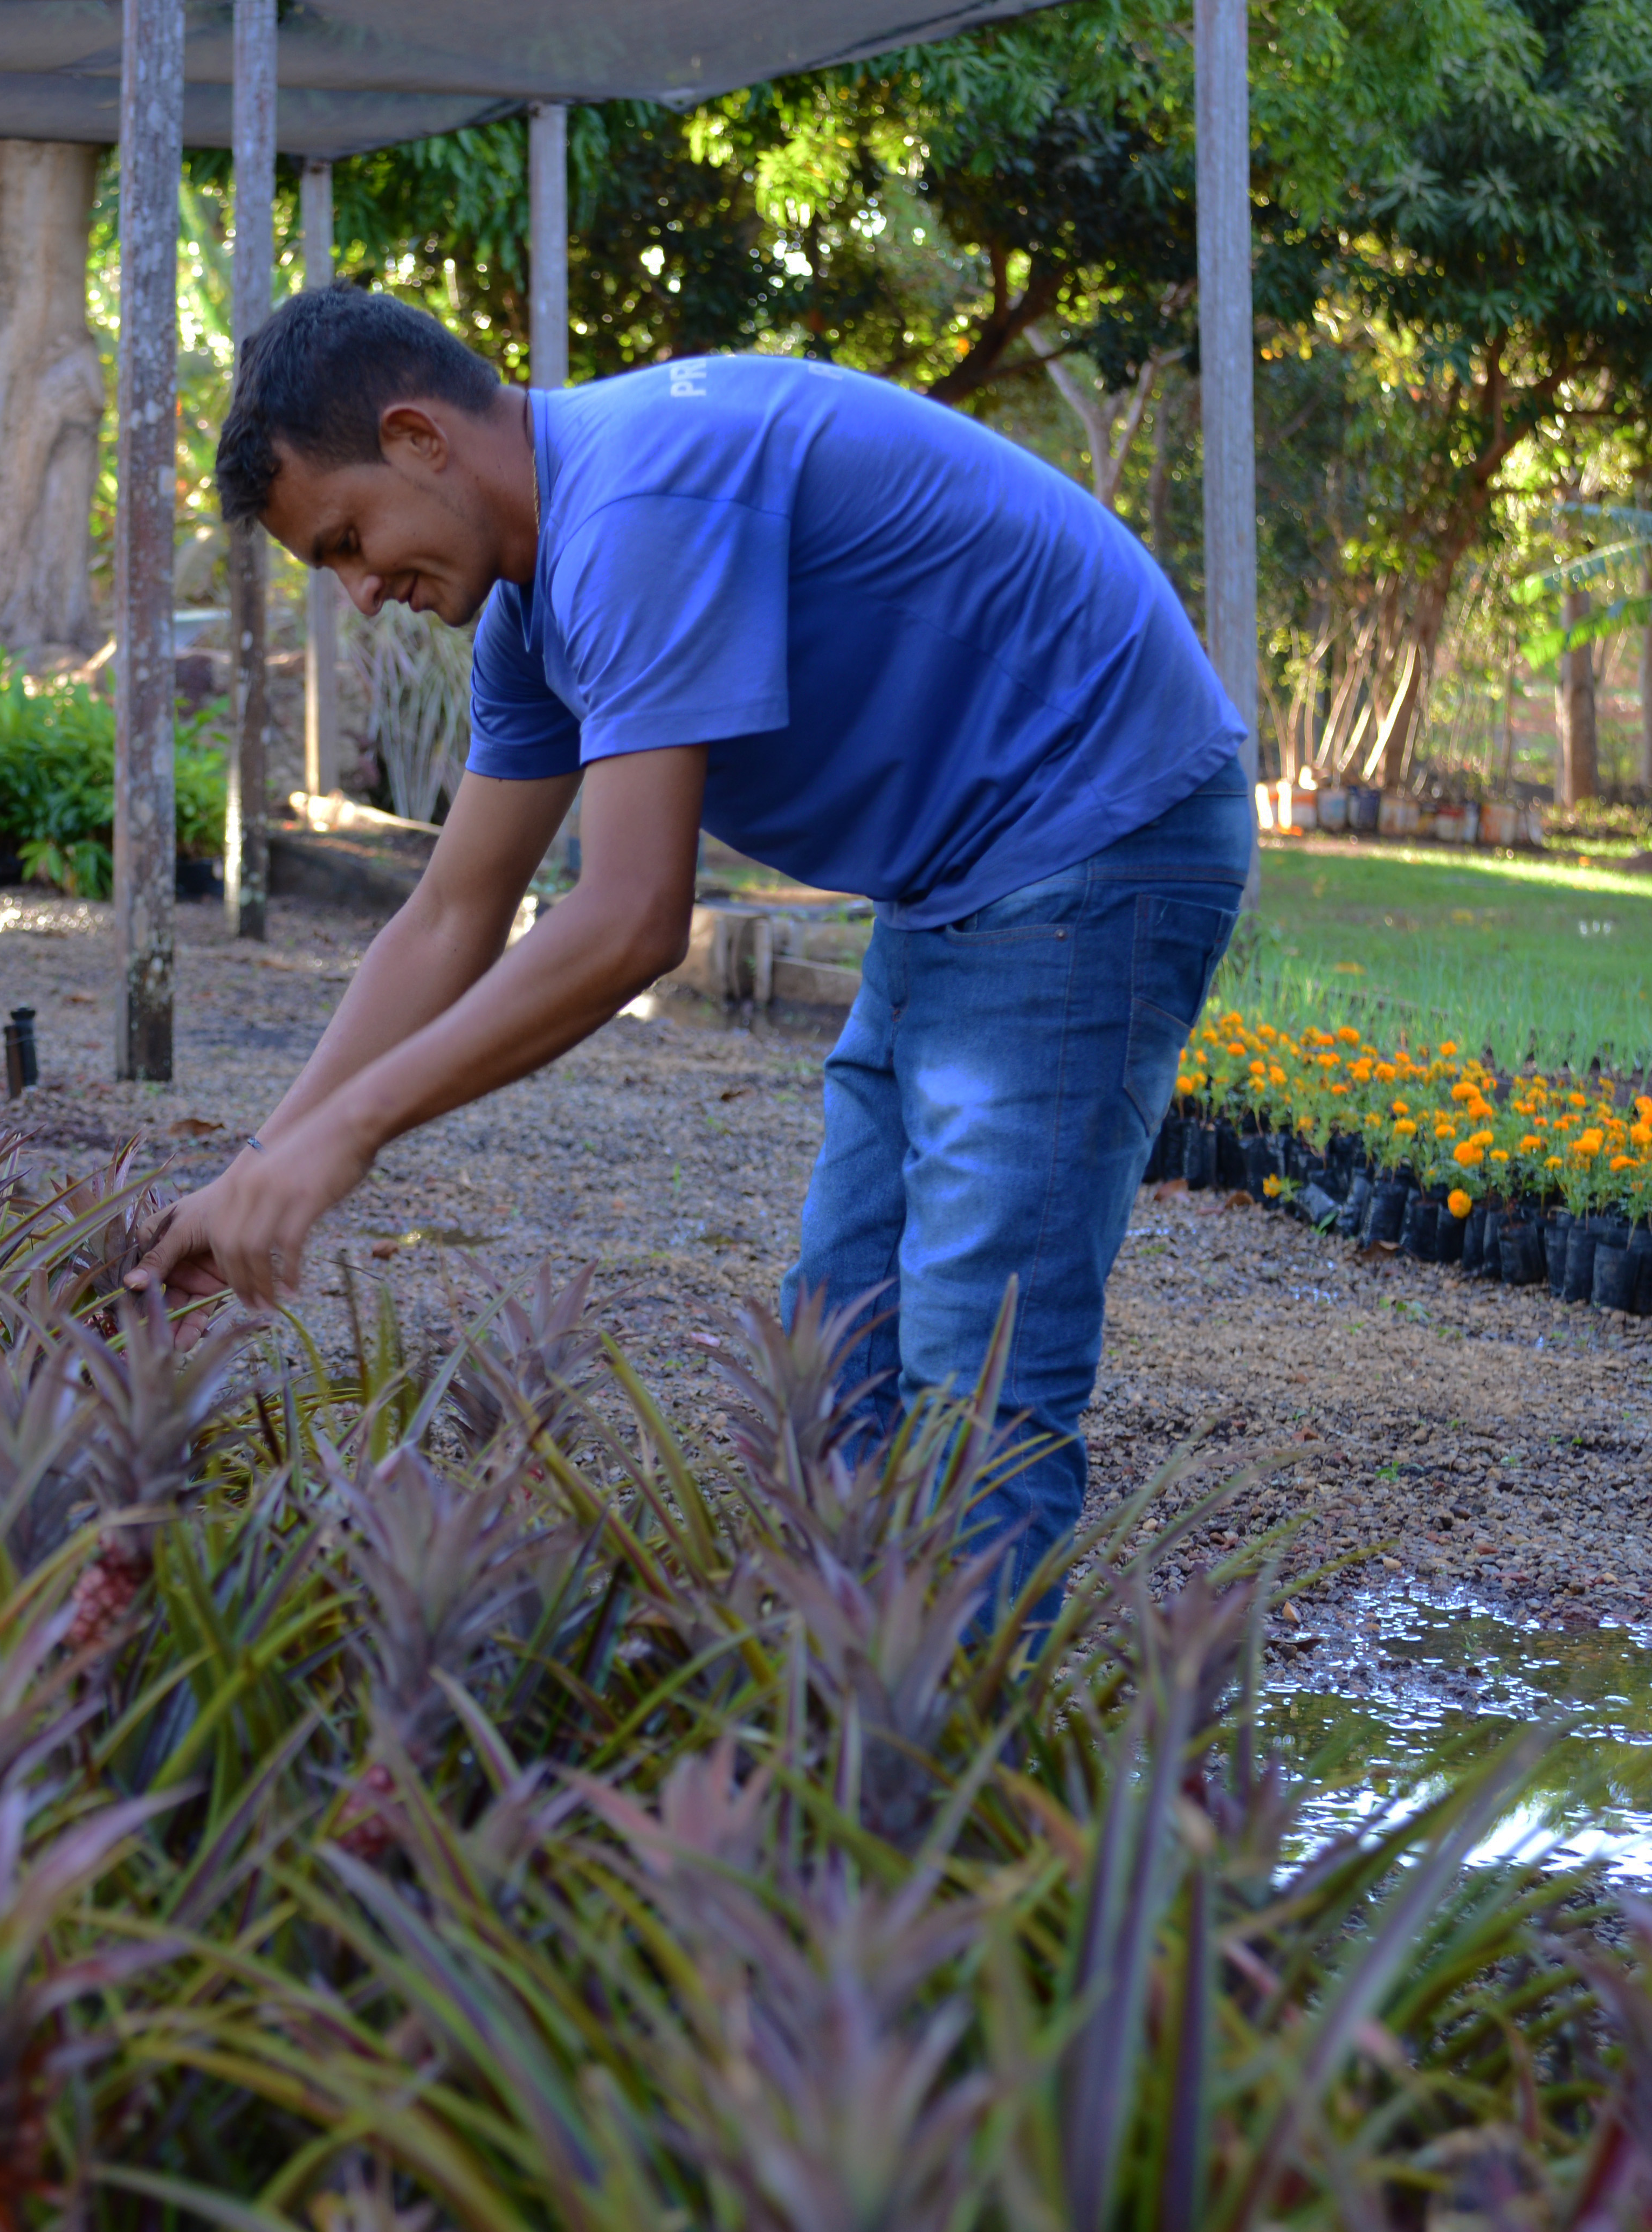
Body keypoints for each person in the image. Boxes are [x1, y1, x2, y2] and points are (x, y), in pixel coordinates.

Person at [128, 286, 1252, 1607]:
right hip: (955, 869)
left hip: (1094, 831)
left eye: (349, 541)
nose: (364, 594)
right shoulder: (534, 614)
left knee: (972, 1377)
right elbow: (448, 916)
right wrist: (260, 1163)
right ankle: (854, 1724)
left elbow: (628, 922)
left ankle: (967, 1785)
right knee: (834, 1360)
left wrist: (346, 1140)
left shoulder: (634, 515)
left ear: (419, 437)